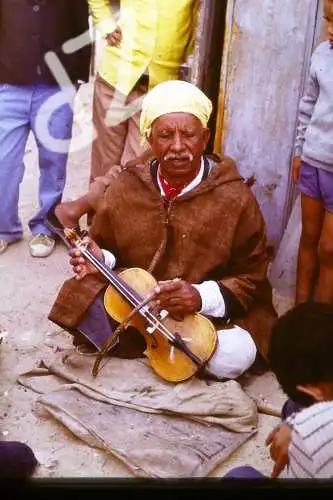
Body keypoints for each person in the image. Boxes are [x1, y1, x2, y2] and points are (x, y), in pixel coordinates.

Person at [48, 80, 277, 382]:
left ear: (205, 137)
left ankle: (162, 351)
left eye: (189, 135)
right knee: (81, 297)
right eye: (166, 136)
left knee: (234, 355)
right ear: (150, 140)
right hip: (140, 305)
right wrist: (99, 257)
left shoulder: (235, 199)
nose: (178, 147)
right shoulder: (127, 185)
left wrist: (198, 297)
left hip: (205, 315)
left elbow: (252, 278)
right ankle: (160, 352)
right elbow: (108, 246)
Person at [0, 0, 91, 258]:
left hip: (56, 86)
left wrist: (78, 77)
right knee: (4, 161)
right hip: (10, 83)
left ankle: (46, 226)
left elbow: (81, 27)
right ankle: (5, 228)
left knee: (54, 161)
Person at [87, 0, 199, 188]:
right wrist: (106, 24)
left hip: (157, 90)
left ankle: (124, 216)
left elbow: (196, 21)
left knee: (138, 171)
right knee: (103, 167)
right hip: (115, 77)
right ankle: (97, 217)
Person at [225, 302, 333, 479]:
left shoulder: (311, 431)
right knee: (293, 407)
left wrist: (301, 430)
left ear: (316, 390)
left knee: (238, 477)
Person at [292, 0, 333, 304]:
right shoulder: (322, 54)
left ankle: (319, 328)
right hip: (312, 163)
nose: (329, 31)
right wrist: (298, 152)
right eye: (327, 21)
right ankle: (299, 313)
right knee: (308, 238)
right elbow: (307, 107)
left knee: (329, 249)